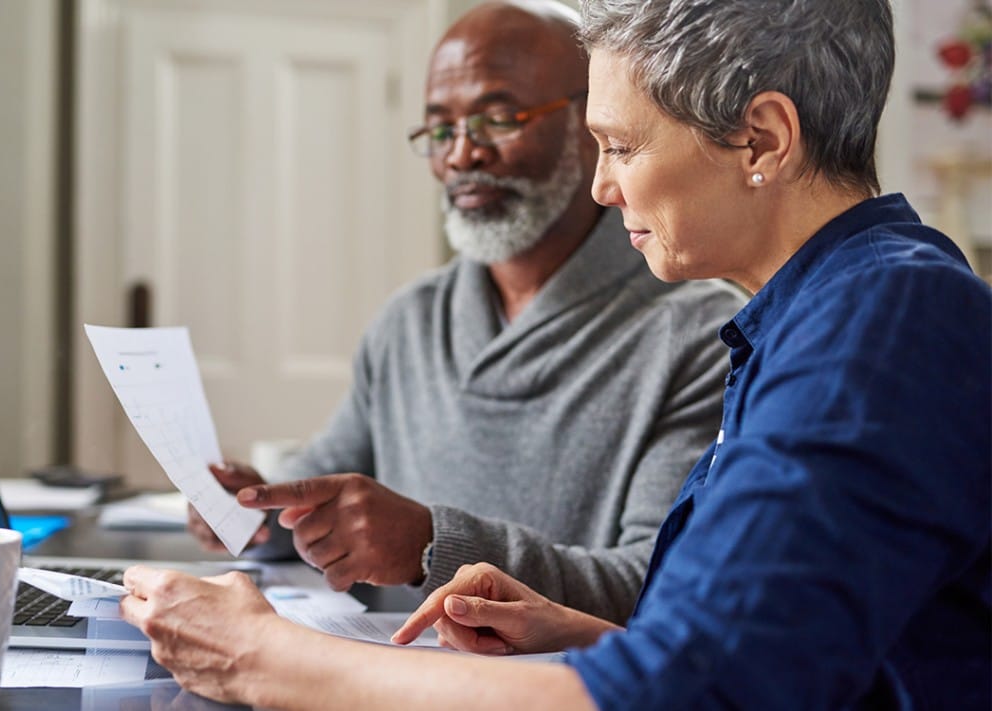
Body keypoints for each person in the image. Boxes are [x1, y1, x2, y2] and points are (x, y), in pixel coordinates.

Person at [120, 0, 991, 707]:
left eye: (620, 145)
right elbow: (771, 663)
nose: (604, 183)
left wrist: (267, 660)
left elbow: (698, 692)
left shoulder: (879, 319)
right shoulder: (814, 316)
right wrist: (581, 633)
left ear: (761, 139)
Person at [188, 0, 743, 623]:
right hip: (380, 673)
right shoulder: (410, 322)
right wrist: (257, 508)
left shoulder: (701, 336)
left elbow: (657, 580)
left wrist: (433, 546)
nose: (461, 155)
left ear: (593, 124)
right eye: (441, 129)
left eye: (497, 118)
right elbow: (323, 498)